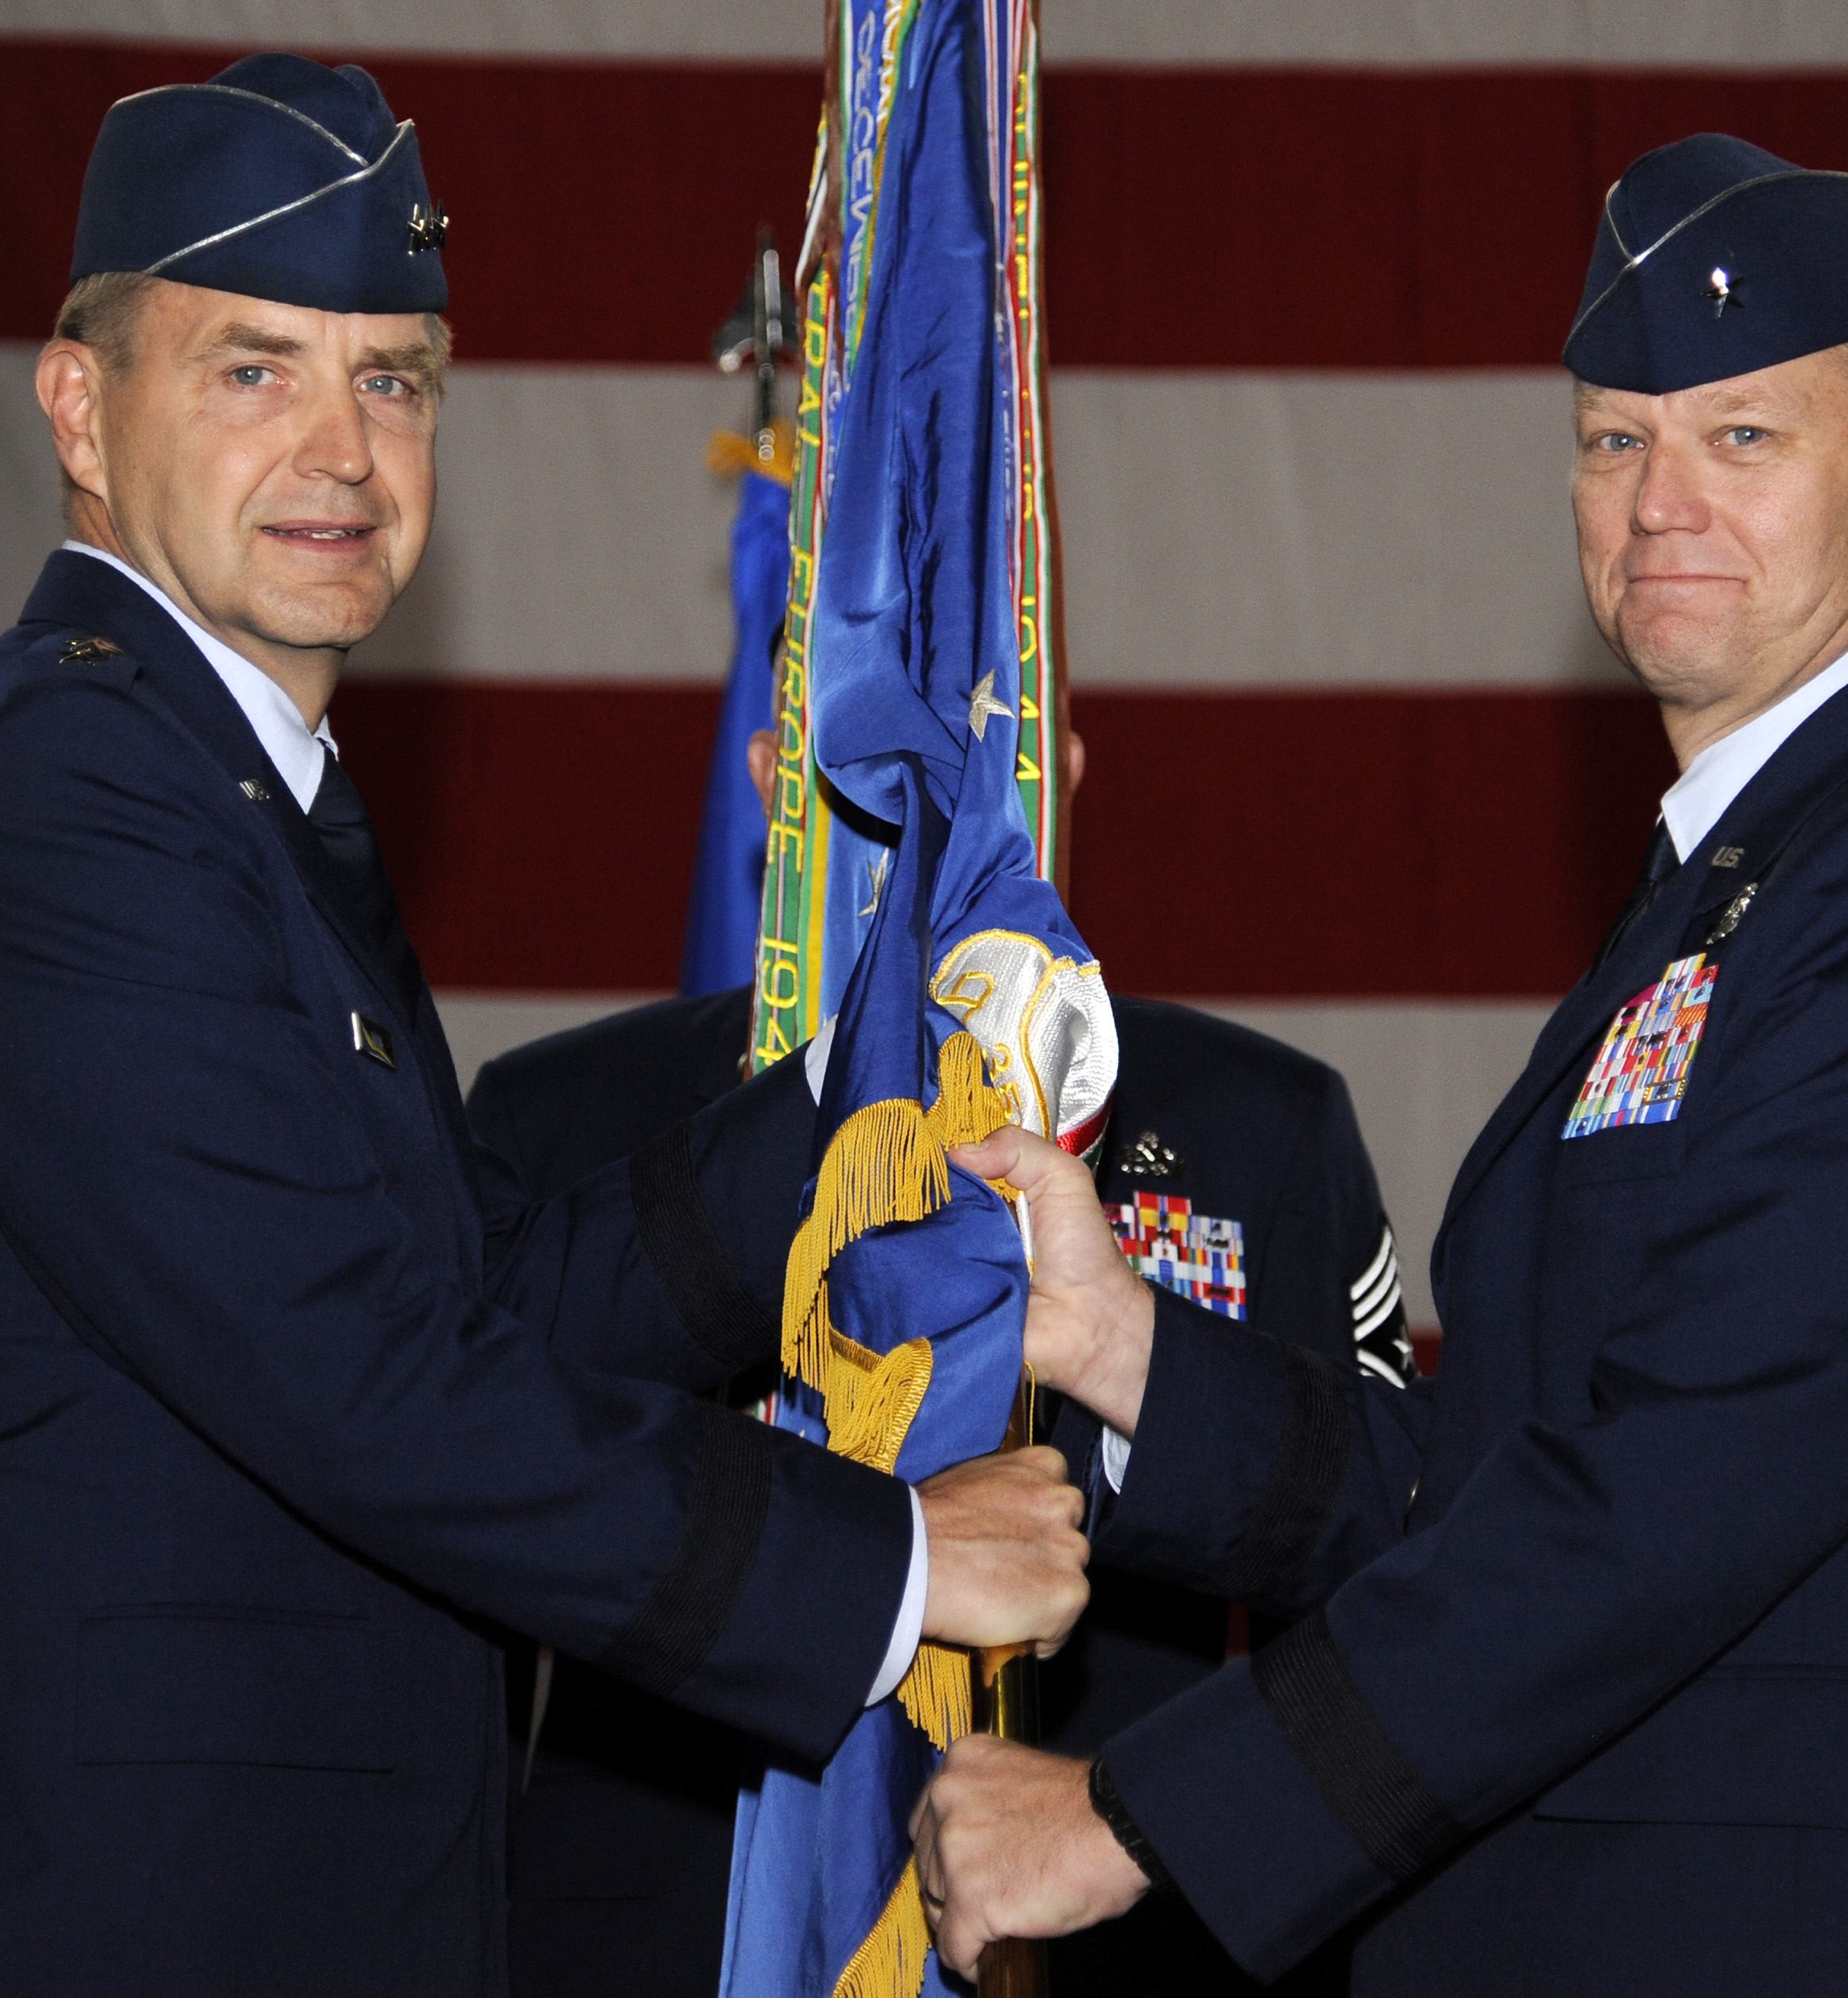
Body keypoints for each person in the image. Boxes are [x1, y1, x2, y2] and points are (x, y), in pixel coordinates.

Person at [0, 58, 1084, 1996]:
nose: (345, 452)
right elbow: (365, 1375)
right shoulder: (66, 804)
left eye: (396, 380)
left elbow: (470, 1295)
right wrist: (893, 1567)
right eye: (254, 370)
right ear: (81, 411)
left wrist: (873, 1092)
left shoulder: (220, 785)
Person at [912, 132, 1848, 1996]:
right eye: (1617, 439)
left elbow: (1681, 1496)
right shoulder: (1734, 893)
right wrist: (1115, 1342)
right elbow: (1507, 1483)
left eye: (1744, 436)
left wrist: (1133, 1818)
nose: (1661, 498)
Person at [470, 726, 1409, 1997]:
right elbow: (472, 1521)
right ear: (769, 778)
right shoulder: (570, 1116)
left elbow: (1384, 1571)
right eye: (873, 764)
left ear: (1068, 772)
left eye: (985, 765)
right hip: (663, 1935)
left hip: (1116, 1920)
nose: (934, 815)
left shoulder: (1257, 1124)